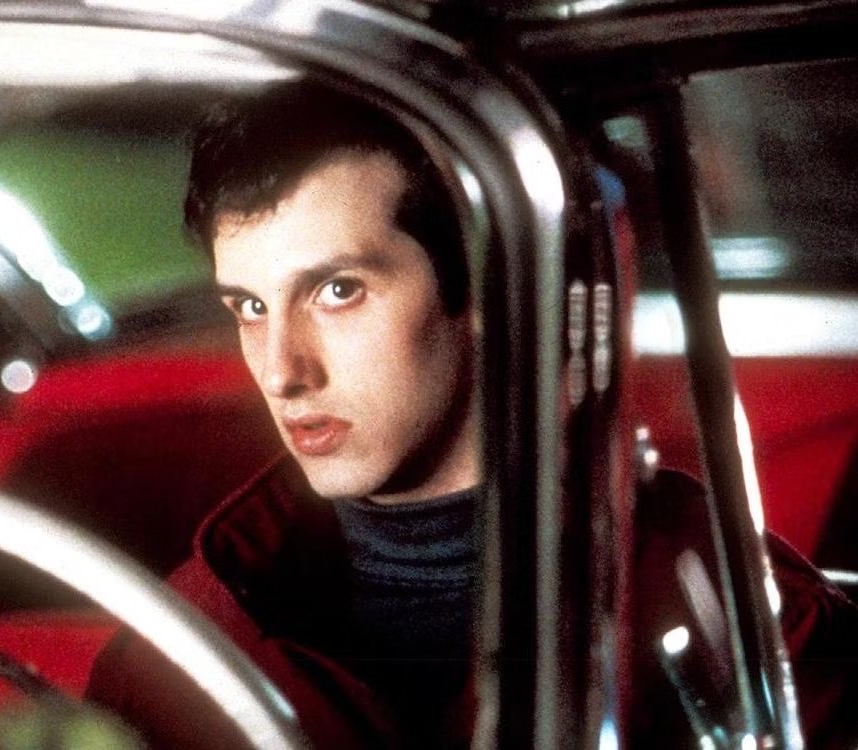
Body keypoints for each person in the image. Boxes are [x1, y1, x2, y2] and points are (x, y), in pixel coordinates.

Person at [86, 82, 858, 749]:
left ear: (487, 288)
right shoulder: (174, 655)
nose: (282, 371)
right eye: (249, 307)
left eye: (338, 292)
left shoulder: (741, 625)